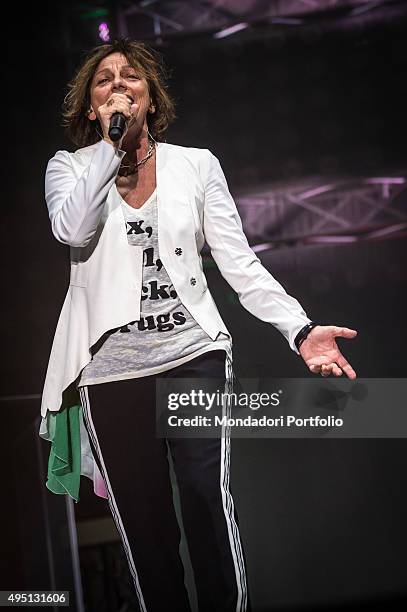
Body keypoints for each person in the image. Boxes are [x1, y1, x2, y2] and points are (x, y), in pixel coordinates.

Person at [39, 39, 357, 612]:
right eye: (104, 80)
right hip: (110, 375)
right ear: (90, 107)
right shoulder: (70, 169)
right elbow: (72, 230)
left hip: (193, 355)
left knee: (207, 497)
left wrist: (299, 327)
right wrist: (109, 149)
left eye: (131, 77)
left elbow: (239, 262)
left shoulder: (197, 165)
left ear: (150, 96)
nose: (118, 84)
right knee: (146, 528)